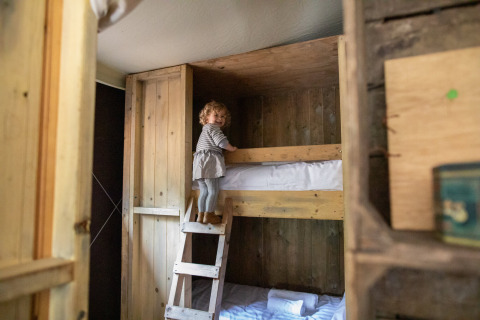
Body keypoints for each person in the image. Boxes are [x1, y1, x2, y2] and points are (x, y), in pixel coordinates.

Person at [193, 101, 237, 224]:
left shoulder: (204, 130)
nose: (220, 118)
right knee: (213, 190)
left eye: (223, 116)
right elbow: (221, 142)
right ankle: (210, 214)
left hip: (199, 164)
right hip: (209, 162)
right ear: (206, 118)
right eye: (216, 115)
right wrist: (232, 148)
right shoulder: (213, 128)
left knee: (204, 191)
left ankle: (200, 216)